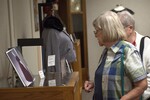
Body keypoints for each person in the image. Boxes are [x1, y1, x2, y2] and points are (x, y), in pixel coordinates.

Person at [84, 11, 147, 100]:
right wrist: (95, 83)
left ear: (106, 31)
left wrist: (124, 98)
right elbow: (110, 77)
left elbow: (142, 85)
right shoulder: (106, 50)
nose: (95, 35)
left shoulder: (128, 50)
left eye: (97, 31)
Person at [117, 11, 150, 100]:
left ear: (130, 28)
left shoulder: (147, 44)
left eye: (118, 29)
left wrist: (138, 95)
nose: (115, 32)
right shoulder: (118, 45)